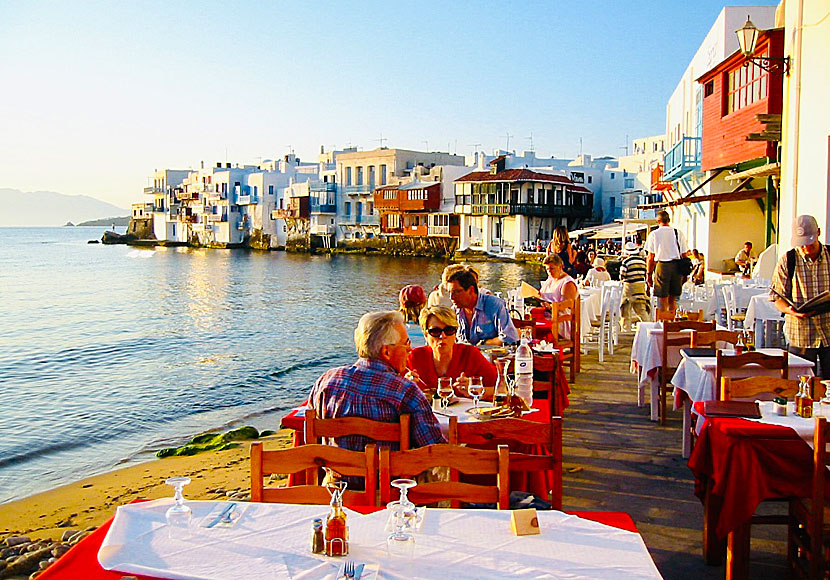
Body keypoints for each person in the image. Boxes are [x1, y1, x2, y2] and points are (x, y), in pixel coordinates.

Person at [308, 311, 445, 453]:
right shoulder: (405, 390)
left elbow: (310, 436)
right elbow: (432, 449)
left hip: (335, 474)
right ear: (386, 352)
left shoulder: (326, 381)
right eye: (406, 343)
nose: (410, 349)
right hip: (389, 474)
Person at [770, 215, 830, 377]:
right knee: (800, 384)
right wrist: (790, 310)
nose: (805, 248)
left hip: (828, 329)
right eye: (801, 244)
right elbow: (778, 298)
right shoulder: (788, 260)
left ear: (818, 233)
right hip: (801, 333)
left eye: (809, 243)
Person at [405, 305, 499, 399]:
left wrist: (475, 390)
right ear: (426, 335)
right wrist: (405, 386)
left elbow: (501, 388)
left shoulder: (470, 354)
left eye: (449, 330)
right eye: (435, 331)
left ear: (455, 333)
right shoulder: (414, 358)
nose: (442, 336)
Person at [447, 268, 519, 346]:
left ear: (471, 290)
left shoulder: (494, 305)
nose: (451, 297)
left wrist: (483, 344)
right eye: (450, 293)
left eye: (456, 292)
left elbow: (510, 338)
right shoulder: (454, 311)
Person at [644, 210, 690, 312]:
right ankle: (672, 320)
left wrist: (649, 274)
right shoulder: (678, 233)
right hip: (677, 266)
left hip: (662, 266)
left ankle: (663, 322)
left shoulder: (654, 234)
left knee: (662, 298)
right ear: (669, 220)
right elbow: (684, 254)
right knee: (673, 299)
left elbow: (650, 257)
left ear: (658, 221)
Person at [540, 254, 578, 340]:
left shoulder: (567, 283)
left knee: (533, 325)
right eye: (547, 269)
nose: (549, 272)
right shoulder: (550, 279)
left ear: (560, 266)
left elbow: (567, 305)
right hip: (547, 313)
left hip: (560, 319)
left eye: (552, 269)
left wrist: (550, 306)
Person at [619, 242, 650, 330]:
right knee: (641, 310)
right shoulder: (642, 261)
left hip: (630, 287)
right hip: (640, 287)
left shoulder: (626, 262)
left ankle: (626, 329)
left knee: (625, 309)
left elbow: (622, 276)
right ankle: (648, 327)